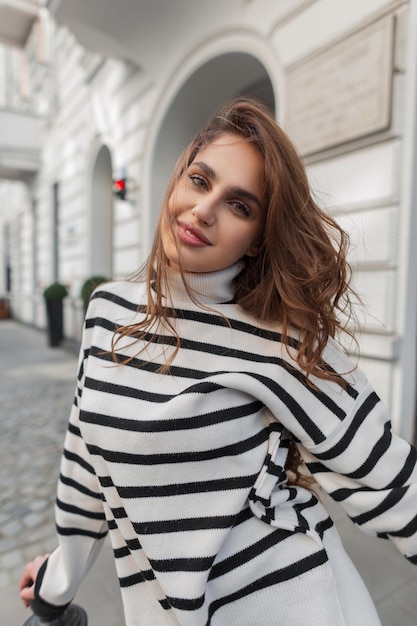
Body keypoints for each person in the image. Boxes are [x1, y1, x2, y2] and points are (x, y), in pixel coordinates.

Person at [20, 96, 417, 626]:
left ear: (256, 240)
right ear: (178, 180)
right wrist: (56, 582)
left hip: (291, 602)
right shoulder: (107, 310)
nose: (204, 210)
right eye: (201, 181)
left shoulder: (279, 342)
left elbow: (388, 479)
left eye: (240, 205)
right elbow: (86, 469)